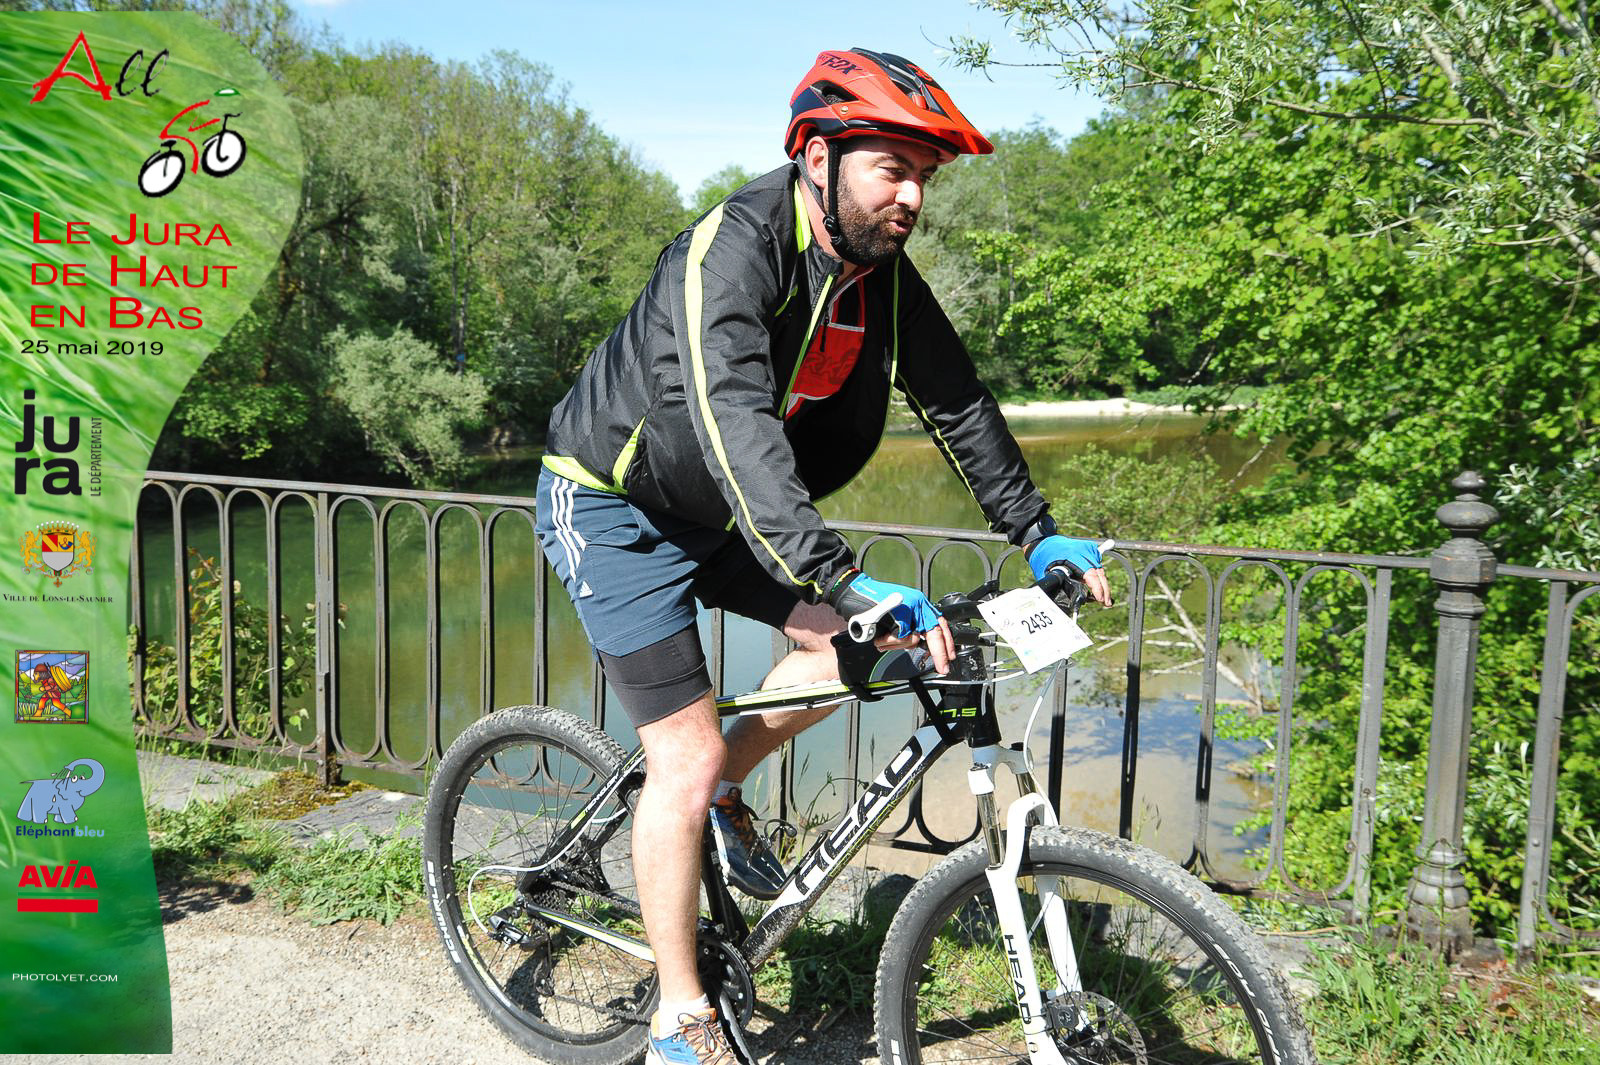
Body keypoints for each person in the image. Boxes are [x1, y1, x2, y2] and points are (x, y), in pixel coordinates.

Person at [534, 47, 1112, 1065]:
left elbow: (956, 401)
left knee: (854, 653)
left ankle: (721, 792)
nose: (912, 196)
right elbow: (732, 419)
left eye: (923, 176)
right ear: (816, 156)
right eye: (892, 168)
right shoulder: (731, 249)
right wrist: (837, 576)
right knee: (682, 755)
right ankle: (679, 1016)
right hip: (617, 509)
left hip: (724, 511)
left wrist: (1035, 529)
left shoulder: (876, 276)